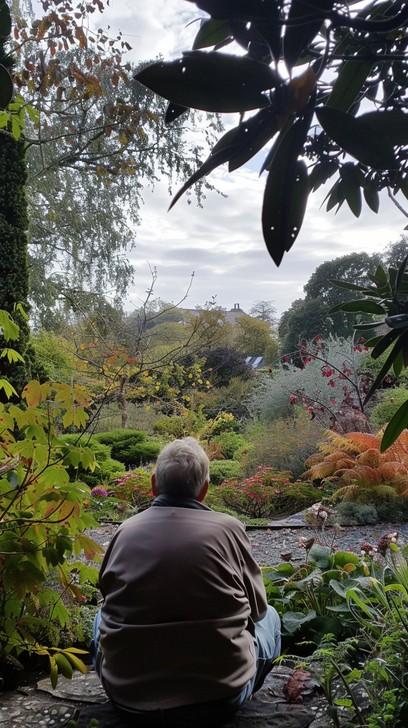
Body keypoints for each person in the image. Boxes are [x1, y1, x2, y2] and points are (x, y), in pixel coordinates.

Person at [93, 437, 281, 726]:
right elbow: (258, 611)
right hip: (219, 699)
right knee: (273, 618)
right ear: (204, 490)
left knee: (99, 618)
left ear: (154, 484)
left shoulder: (125, 531)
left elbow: (106, 597)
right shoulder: (229, 530)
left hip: (129, 698)